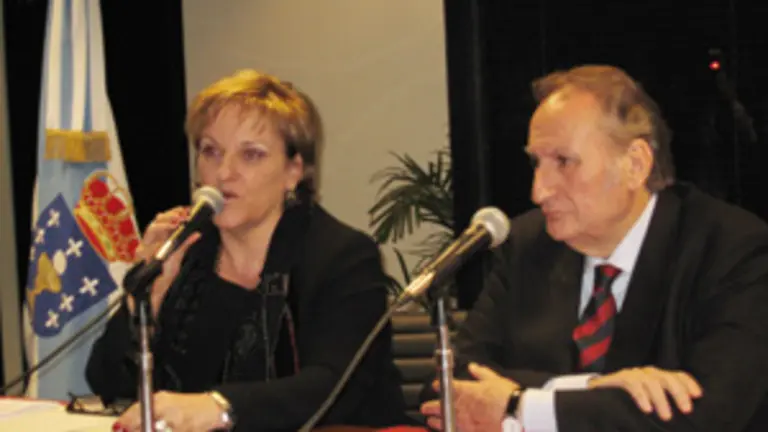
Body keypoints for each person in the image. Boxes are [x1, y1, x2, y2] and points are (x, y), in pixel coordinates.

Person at [420, 65, 768, 431]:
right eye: (536, 163)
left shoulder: (733, 250)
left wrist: (519, 405)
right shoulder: (528, 244)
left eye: (563, 162)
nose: (538, 191)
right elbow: (444, 390)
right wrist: (587, 388)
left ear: (635, 164)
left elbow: (709, 413)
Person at [85, 69, 407, 431]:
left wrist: (219, 407)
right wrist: (149, 295)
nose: (224, 172)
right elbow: (107, 384)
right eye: (211, 151)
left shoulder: (342, 256)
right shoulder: (186, 252)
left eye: (250, 155)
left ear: (294, 171)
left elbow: (333, 387)